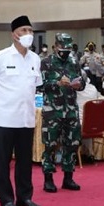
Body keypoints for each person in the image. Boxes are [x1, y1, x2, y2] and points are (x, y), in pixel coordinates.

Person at [0, 15, 43, 206]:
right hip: (4, 117)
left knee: (25, 161)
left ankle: (25, 196)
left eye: (30, 30)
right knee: (3, 162)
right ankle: (6, 199)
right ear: (14, 35)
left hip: (26, 117)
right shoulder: (1, 57)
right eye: (23, 30)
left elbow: (36, 85)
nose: (28, 34)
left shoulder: (35, 58)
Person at [40, 33, 85, 193]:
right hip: (52, 111)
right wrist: (57, 83)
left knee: (72, 144)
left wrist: (78, 85)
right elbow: (40, 85)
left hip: (71, 110)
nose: (65, 51)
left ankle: (68, 177)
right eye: (62, 47)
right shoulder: (46, 62)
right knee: (50, 145)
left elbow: (82, 82)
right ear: (55, 46)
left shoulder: (73, 62)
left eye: (68, 48)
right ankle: (48, 179)